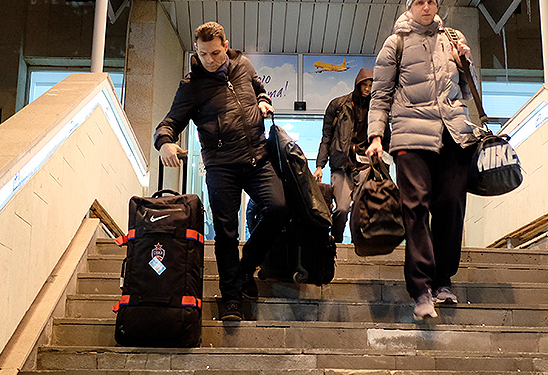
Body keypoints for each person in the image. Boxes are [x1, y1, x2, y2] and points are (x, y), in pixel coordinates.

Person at [154, 21, 287, 322]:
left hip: (257, 159)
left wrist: (264, 102)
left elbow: (259, 90)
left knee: (279, 209)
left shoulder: (244, 65)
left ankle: (244, 268)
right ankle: (232, 300)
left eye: (215, 53)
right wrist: (164, 143)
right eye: (203, 54)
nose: (210, 60)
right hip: (221, 167)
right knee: (227, 234)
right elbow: (169, 123)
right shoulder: (192, 86)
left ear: (226, 46)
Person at [365, 0, 481, 321]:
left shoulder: (452, 39)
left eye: (431, 2)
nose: (426, 7)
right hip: (410, 135)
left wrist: (465, 63)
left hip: (453, 134)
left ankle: (444, 280)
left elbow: (465, 87)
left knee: (451, 204)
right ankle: (421, 289)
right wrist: (375, 136)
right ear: (410, 6)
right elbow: (380, 94)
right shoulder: (396, 43)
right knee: (415, 207)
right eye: (420, 2)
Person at [314, 68, 387, 243]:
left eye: (371, 85)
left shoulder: (375, 109)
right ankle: (337, 243)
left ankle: (358, 244)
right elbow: (326, 137)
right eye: (364, 84)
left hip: (364, 165)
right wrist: (319, 166)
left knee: (361, 209)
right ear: (357, 83)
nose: (367, 89)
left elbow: (385, 136)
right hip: (340, 165)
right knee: (341, 209)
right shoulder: (338, 105)